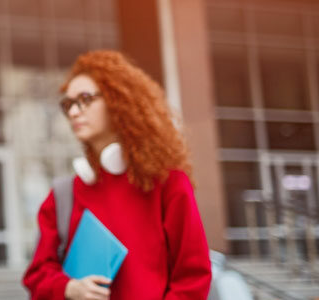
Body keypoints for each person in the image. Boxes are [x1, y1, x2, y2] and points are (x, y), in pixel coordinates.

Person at [22, 50, 212, 300]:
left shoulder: (169, 184)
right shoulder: (64, 195)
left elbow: (193, 277)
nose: (73, 112)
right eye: (68, 104)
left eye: (85, 99)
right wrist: (69, 288)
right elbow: (37, 276)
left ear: (117, 101)